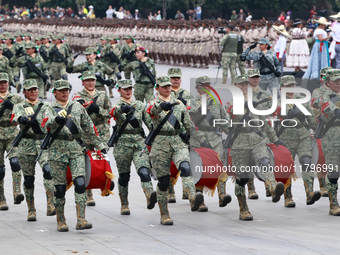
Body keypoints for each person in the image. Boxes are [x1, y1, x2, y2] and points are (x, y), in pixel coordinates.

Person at [44, 79, 107, 232]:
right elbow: (45, 122)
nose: (65, 92)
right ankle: (61, 220)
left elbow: (89, 127)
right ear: (55, 92)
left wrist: (100, 144)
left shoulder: (77, 107)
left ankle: (81, 219)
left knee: (80, 183)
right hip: (57, 152)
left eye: (67, 89)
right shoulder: (50, 108)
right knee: (59, 188)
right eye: (61, 90)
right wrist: (54, 119)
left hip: (76, 149)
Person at [226, 74, 285, 220]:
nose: (245, 86)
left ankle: (272, 186)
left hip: (256, 139)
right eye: (241, 84)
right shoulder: (230, 103)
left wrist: (275, 139)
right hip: (239, 143)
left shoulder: (256, 102)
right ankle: (243, 209)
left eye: (246, 84)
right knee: (242, 178)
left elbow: (264, 122)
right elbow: (233, 116)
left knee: (264, 161)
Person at [146, 76, 204, 225]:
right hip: (160, 144)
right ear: (157, 87)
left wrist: (200, 140)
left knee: (185, 167)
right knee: (164, 181)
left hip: (178, 142)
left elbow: (188, 124)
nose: (168, 88)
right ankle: (164, 214)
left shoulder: (179, 104)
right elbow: (150, 113)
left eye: (169, 86)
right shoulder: (152, 103)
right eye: (164, 86)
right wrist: (160, 107)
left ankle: (192, 196)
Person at [110, 79, 157, 214]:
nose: (129, 91)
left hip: (138, 142)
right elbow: (113, 112)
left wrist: (155, 135)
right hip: (123, 144)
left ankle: (149, 196)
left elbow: (149, 123)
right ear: (119, 90)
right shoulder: (116, 105)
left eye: (130, 88)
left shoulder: (139, 105)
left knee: (143, 170)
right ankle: (124, 204)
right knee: (124, 176)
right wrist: (121, 109)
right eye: (125, 89)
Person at [12, 79, 55, 221]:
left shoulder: (45, 105)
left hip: (43, 142)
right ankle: (31, 209)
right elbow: (15, 117)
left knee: (48, 171)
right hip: (26, 144)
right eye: (30, 90)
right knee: (29, 179)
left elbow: (51, 119)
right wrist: (22, 119)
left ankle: (50, 204)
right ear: (24, 92)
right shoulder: (20, 106)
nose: (33, 92)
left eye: (35, 89)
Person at [276, 75, 320, 207]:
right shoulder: (278, 101)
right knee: (287, 167)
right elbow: (283, 113)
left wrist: (320, 131)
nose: (291, 87)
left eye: (293, 85)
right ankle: (287, 197)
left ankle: (309, 193)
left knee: (306, 161)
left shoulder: (303, 100)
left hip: (303, 136)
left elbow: (311, 119)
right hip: (285, 137)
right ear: (282, 87)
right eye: (288, 85)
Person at [189, 76, 232, 211]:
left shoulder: (216, 103)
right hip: (198, 137)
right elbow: (190, 121)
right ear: (197, 87)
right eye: (203, 85)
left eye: (208, 84)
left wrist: (233, 132)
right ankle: (199, 198)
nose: (206, 87)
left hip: (215, 138)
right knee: (199, 167)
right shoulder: (192, 102)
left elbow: (223, 121)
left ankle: (222, 194)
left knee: (220, 164)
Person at [72, 70, 112, 207]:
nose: (90, 83)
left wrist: (99, 110)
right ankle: (88, 194)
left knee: (103, 159)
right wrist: (86, 110)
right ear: (82, 82)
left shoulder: (102, 95)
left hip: (101, 132)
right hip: (85, 133)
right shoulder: (77, 96)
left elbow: (110, 113)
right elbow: (74, 112)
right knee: (86, 162)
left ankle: (105, 185)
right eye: (87, 80)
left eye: (92, 80)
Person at [0, 73, 24, 211]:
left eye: (4, 82)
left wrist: (13, 106)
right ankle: (1, 199)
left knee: (15, 162)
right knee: (0, 169)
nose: (2, 85)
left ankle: (16, 191)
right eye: (0, 82)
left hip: (12, 134)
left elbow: (25, 112)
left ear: (8, 83)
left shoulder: (16, 98)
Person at [319, 69, 340, 216]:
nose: (339, 83)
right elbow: (334, 111)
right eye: (335, 81)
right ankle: (333, 204)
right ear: (328, 82)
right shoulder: (324, 97)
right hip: (332, 137)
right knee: (333, 173)